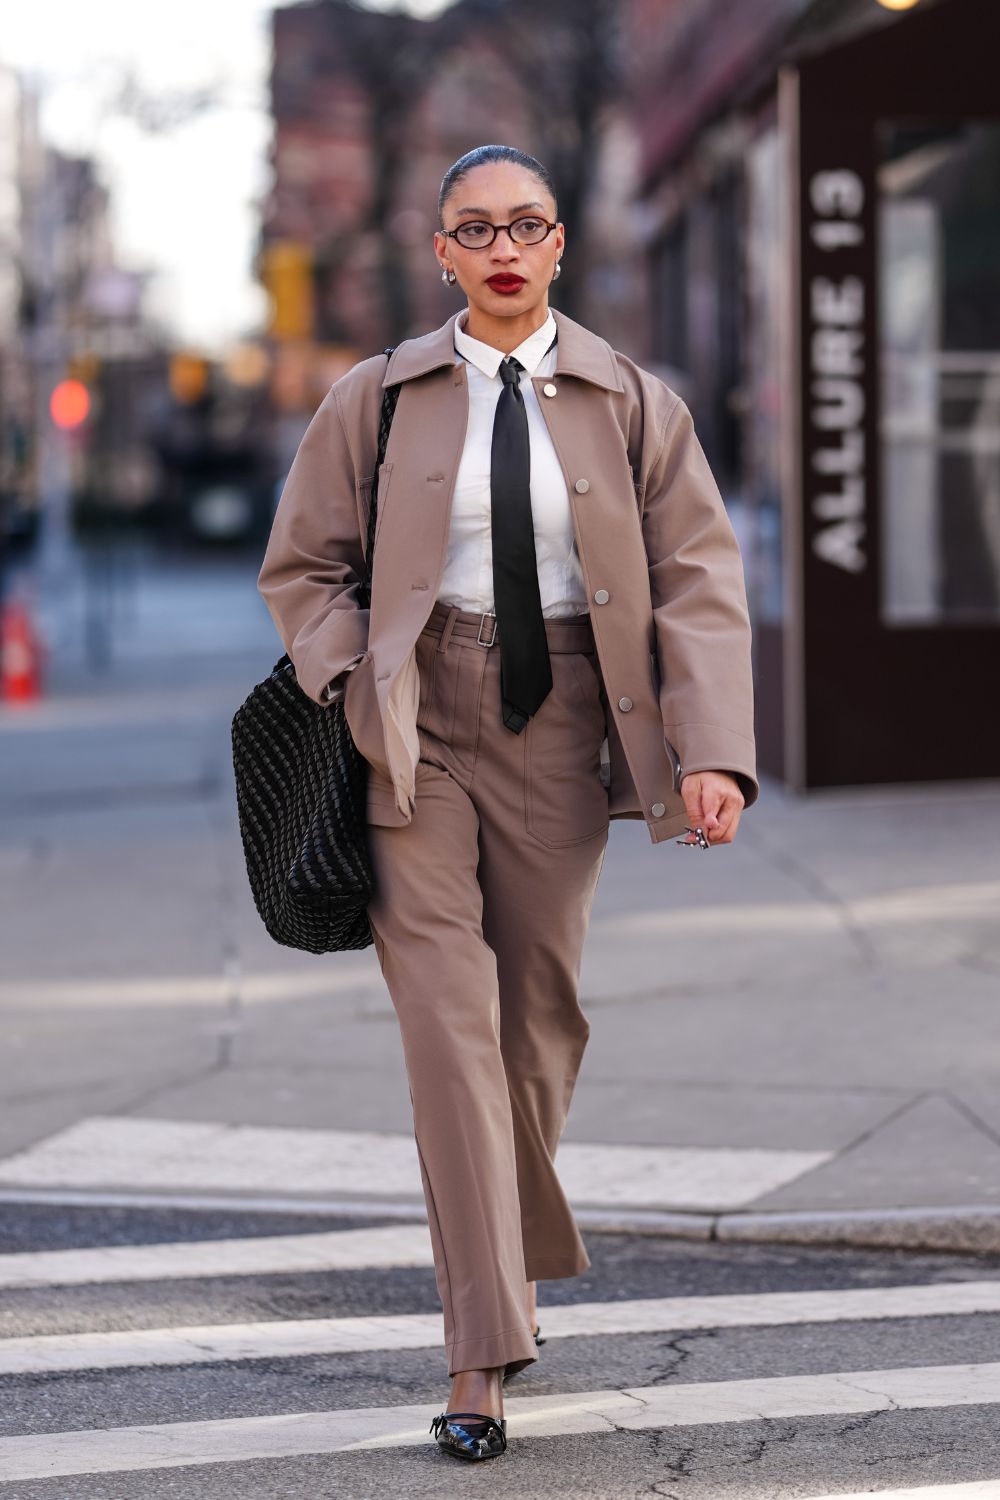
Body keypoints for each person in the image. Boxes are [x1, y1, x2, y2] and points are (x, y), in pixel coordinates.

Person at [257, 142, 758, 1463]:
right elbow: (301, 566)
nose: (500, 247)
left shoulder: (633, 401)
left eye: (524, 224)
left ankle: (502, 1275)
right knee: (448, 1029)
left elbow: (700, 577)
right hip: (414, 729)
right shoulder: (376, 398)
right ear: (440, 252)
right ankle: (479, 1351)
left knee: (536, 1024)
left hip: (572, 722)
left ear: (553, 248)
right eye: (473, 227)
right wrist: (350, 674)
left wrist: (712, 748)